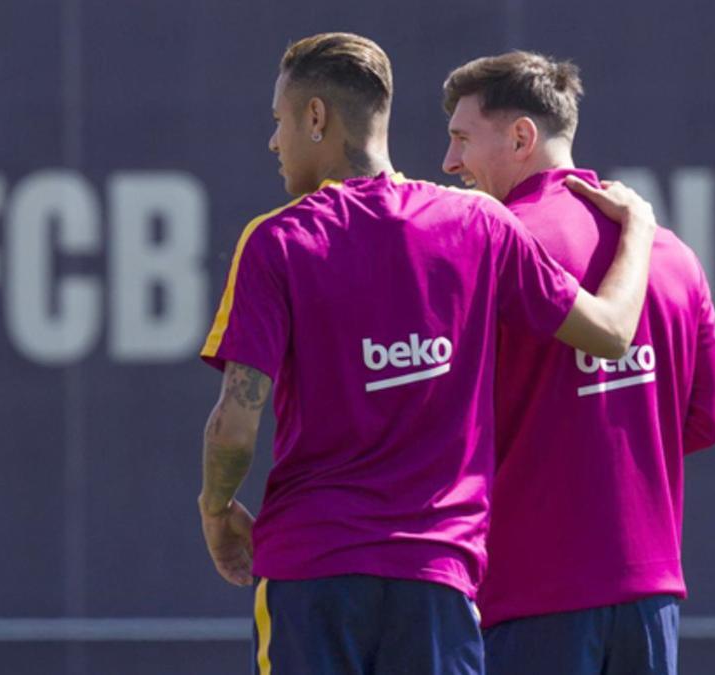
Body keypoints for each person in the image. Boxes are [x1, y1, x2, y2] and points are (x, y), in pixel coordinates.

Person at [196, 32, 658, 674]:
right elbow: (611, 331)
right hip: (436, 580)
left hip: (312, 575)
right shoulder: (479, 223)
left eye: (279, 122)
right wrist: (639, 230)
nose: (274, 142)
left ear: (316, 117)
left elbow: (234, 425)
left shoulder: (279, 240)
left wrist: (216, 510)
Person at [441, 51, 715, 675]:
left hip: (530, 601)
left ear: (522, 137)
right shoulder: (671, 253)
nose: (449, 162)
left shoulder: (485, 249)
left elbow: (439, 425)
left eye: (461, 138)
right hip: (651, 603)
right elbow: (700, 422)